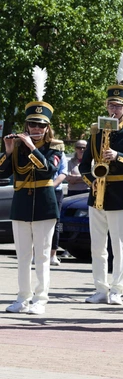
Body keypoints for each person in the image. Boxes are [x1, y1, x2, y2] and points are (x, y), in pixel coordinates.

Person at [1, 69, 63, 315]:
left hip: (45, 205)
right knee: (23, 256)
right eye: (31, 124)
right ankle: (22, 297)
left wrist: (30, 146)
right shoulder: (16, 147)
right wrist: (7, 151)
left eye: (40, 125)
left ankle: (41, 299)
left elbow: (48, 170)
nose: (35, 127)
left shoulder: (53, 147)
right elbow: (3, 172)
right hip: (21, 204)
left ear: (47, 128)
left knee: (42, 256)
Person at [79, 83, 123, 306]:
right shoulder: (96, 131)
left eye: (118, 106)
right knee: (97, 245)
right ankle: (100, 288)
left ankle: (118, 289)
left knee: (120, 245)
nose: (113, 109)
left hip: (120, 194)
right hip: (96, 195)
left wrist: (118, 156)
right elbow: (84, 165)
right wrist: (91, 182)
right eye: (111, 105)